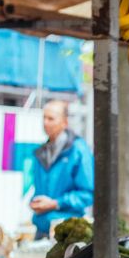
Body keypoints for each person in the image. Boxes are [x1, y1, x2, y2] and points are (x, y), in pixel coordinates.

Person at [30, 101, 94, 239]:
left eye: (51, 118)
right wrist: (35, 202)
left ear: (64, 122)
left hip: (68, 233)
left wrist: (55, 203)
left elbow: (88, 194)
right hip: (42, 230)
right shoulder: (41, 152)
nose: (45, 123)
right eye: (44, 118)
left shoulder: (78, 151)